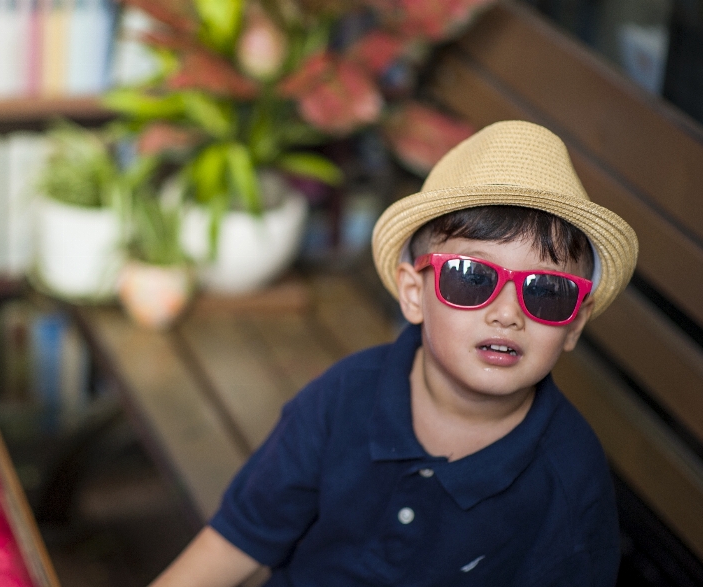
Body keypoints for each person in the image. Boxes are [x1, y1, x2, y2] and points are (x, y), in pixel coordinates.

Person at [148, 120, 638, 587]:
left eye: (547, 291)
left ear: (573, 321)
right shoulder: (344, 397)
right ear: (412, 294)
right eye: (471, 277)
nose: (508, 313)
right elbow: (236, 542)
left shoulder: (570, 482)